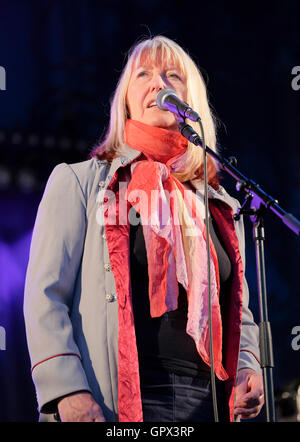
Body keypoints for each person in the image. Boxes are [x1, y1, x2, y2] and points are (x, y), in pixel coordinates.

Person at [24, 35, 264, 422]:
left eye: (173, 75)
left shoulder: (217, 202)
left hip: (208, 401)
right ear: (126, 101)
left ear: (192, 100)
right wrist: (67, 390)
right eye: (144, 74)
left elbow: (241, 310)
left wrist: (249, 365)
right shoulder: (81, 183)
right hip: (117, 401)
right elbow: (44, 296)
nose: (159, 84)